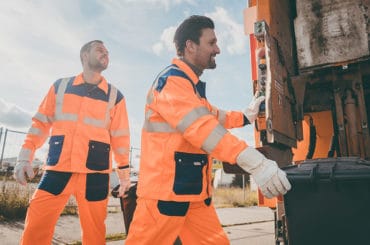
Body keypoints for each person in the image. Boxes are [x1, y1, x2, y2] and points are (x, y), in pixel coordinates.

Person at [125, 15, 291, 245]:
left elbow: (215, 116)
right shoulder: (172, 82)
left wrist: (246, 115)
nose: (218, 49)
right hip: (163, 200)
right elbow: (203, 129)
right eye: (211, 43)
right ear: (190, 46)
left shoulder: (192, 90)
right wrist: (256, 163)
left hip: (193, 198)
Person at [13, 40, 131, 245]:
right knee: (35, 225)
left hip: (95, 174)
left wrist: (124, 176)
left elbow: (121, 138)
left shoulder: (115, 96)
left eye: (107, 52)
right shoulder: (61, 87)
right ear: (84, 55)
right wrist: (25, 157)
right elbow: (40, 124)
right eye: (100, 50)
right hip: (58, 168)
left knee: (95, 234)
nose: (106, 54)